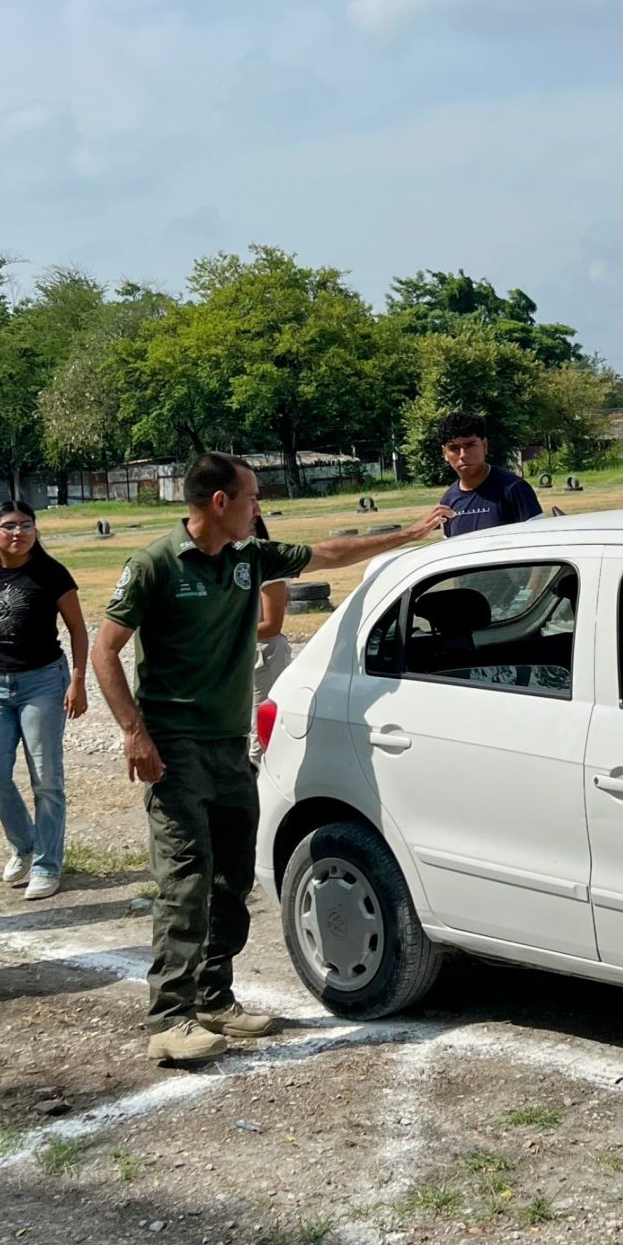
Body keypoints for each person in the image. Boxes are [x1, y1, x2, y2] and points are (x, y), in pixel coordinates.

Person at [91, 454, 447, 1068]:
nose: (259, 507)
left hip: (230, 746)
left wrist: (410, 535)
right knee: (185, 880)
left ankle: (213, 997)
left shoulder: (248, 558)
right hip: (174, 750)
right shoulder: (154, 564)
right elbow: (105, 651)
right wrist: (134, 734)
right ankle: (169, 1018)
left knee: (232, 879)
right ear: (220, 502)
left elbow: (329, 554)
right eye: (252, 496)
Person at [0, 503, 88, 900]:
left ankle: (47, 865)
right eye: (9, 526)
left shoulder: (51, 572)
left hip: (42, 680)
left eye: (27, 525)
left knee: (46, 779)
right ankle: (25, 844)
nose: (19, 533)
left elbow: (78, 628)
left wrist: (78, 681)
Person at [437, 415, 543, 538]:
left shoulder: (514, 489)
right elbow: (451, 547)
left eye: (470, 445)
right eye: (454, 448)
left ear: (484, 446)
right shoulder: (448, 500)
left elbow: (539, 540)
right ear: (445, 453)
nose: (463, 455)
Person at [250, 513, 294, 764]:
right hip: (240, 654)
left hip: (264, 655)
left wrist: (226, 630)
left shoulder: (268, 566)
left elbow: (272, 625)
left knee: (261, 734)